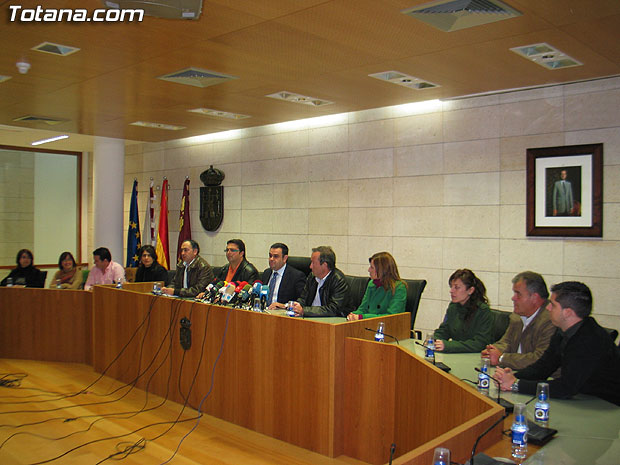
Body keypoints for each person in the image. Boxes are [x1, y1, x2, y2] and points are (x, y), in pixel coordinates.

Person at [496, 281, 620, 406]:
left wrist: (517, 384)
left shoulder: (590, 339)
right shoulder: (563, 330)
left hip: (607, 405)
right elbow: (543, 367)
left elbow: (566, 387)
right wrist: (512, 377)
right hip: (584, 399)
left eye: (553, 305)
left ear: (568, 312)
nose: (548, 308)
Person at [482, 271, 556, 370]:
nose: (513, 298)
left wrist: (502, 358)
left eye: (518, 294)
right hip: (513, 372)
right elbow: (506, 342)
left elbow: (540, 358)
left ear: (534, 297)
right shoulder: (517, 316)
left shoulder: (550, 320)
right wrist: (492, 351)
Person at [434, 269, 493, 353]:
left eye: (457, 288)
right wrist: (434, 340)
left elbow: (480, 343)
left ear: (470, 290)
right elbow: (444, 330)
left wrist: (448, 346)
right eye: (451, 287)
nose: (451, 291)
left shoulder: (483, 311)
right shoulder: (453, 307)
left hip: (474, 357)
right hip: (456, 355)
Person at [291, 246, 352, 317]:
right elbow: (304, 298)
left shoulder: (339, 281)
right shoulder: (312, 276)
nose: (310, 266)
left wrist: (304, 311)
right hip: (311, 317)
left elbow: (333, 309)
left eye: (313, 263)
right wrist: (296, 306)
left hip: (331, 321)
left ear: (324, 265)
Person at [347, 252, 407, 321]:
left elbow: (391, 317)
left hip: (388, 327)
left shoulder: (399, 288)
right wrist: (353, 315)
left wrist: (362, 317)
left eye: (372, 267)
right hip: (368, 325)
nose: (369, 270)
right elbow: (363, 308)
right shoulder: (371, 284)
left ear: (382, 270)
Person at [261, 242, 305, 310]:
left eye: (275, 256)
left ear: (285, 258)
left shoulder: (296, 276)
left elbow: (302, 301)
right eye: (270, 256)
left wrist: (284, 305)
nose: (271, 259)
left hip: (282, 315)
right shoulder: (266, 273)